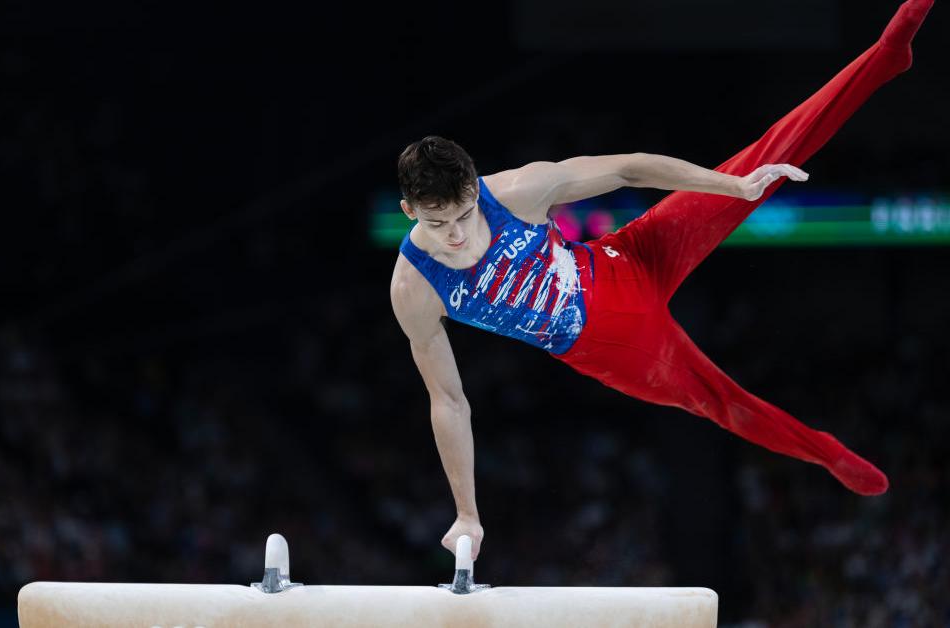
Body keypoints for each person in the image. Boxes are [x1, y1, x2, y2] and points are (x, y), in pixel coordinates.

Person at [389, 0, 935, 561]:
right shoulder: (415, 288)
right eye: (437, 222)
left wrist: (738, 189)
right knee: (722, 399)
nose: (455, 234)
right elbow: (449, 402)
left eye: (462, 214)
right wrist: (467, 513)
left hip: (626, 257)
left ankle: (882, 59)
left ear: (475, 187)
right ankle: (825, 453)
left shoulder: (520, 190)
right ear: (409, 210)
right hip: (616, 340)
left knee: (754, 161)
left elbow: (628, 167)